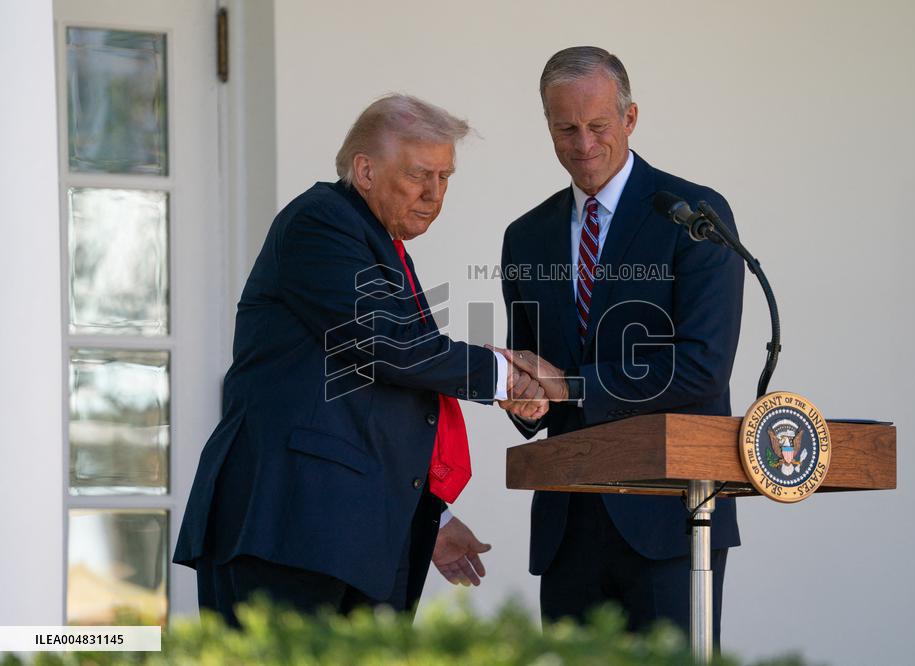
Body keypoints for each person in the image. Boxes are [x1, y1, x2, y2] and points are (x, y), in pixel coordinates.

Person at [173, 94, 545, 626]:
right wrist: (504, 375)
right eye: (419, 175)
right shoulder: (320, 221)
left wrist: (433, 518)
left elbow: (372, 398)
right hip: (290, 527)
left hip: (351, 533)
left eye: (445, 177)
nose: (434, 193)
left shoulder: (377, 241)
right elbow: (387, 345)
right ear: (365, 170)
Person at [499, 46, 745, 639]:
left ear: (630, 118)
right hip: (567, 521)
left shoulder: (695, 216)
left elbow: (703, 365)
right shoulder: (525, 236)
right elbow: (532, 365)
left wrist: (572, 386)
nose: (582, 143)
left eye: (598, 125)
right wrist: (524, 396)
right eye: (566, 128)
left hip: (673, 515)